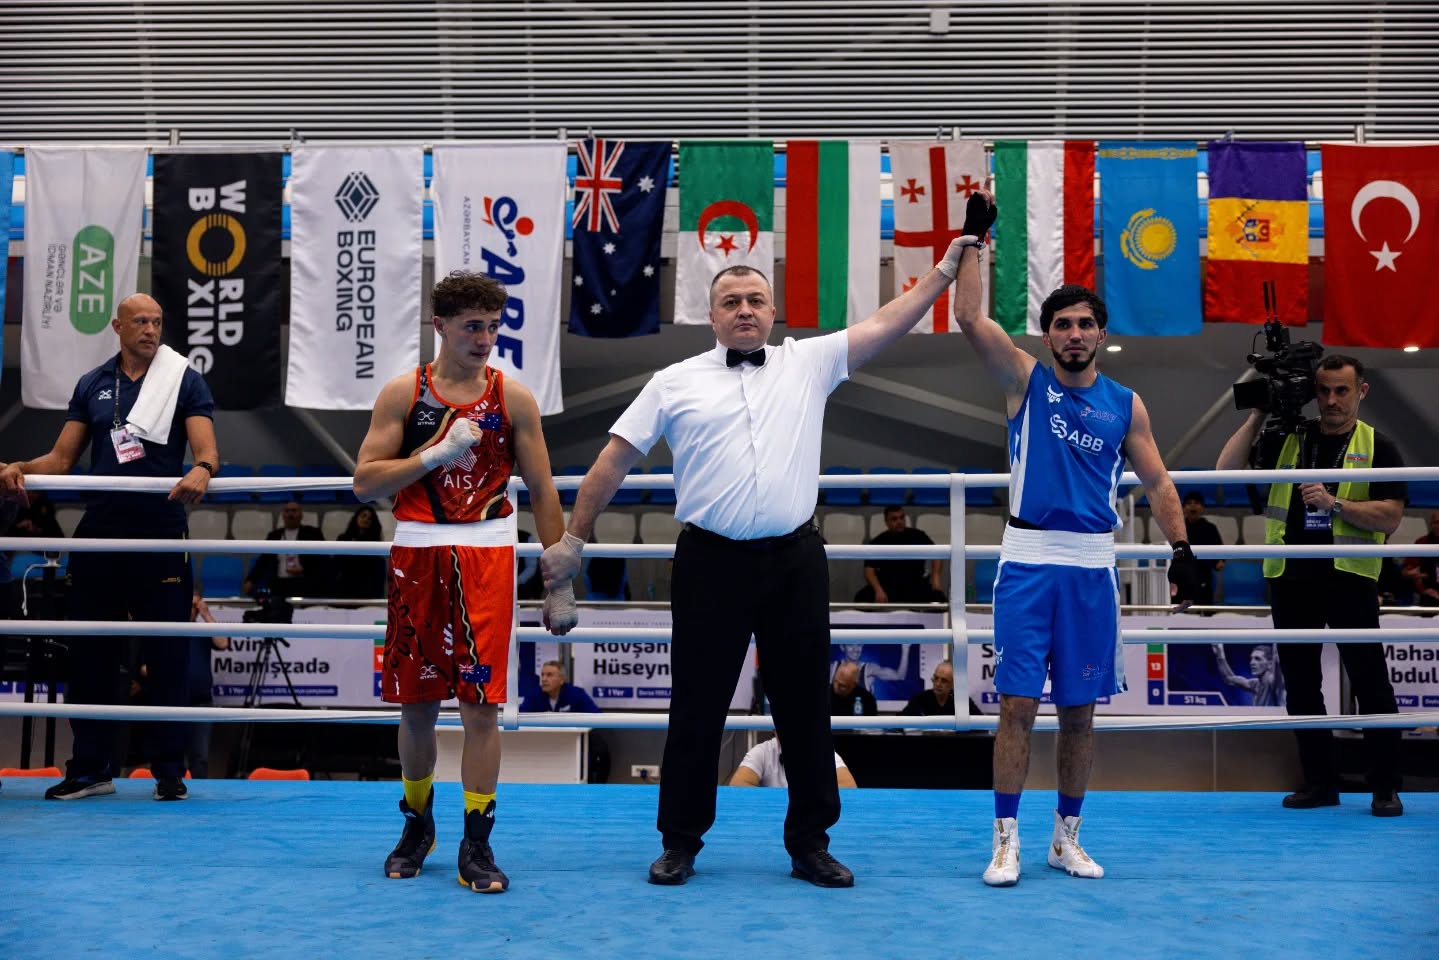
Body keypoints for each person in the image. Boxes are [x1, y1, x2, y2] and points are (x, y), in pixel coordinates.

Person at [540, 226, 985, 889]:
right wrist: (573, 542)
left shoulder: (809, 362)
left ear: (773, 311)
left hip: (793, 562)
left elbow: (889, 321)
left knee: (804, 709)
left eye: (755, 300)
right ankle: (679, 843)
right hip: (708, 563)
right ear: (711, 315)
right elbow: (613, 459)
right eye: (731, 301)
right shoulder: (672, 381)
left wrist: (946, 268)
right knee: (696, 708)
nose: (744, 310)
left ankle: (811, 844)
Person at [949, 192, 1198, 887]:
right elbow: (968, 317)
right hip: (1027, 563)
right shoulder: (1022, 381)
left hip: (1092, 568)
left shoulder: (1126, 405)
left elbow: (1158, 482)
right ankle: (1005, 841)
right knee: (1016, 707)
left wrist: (1181, 549)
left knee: (1081, 716)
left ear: (1101, 333)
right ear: (1048, 336)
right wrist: (972, 242)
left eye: (1085, 323)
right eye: (1062, 324)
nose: (1075, 333)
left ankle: (1065, 839)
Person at [352, 270, 568, 894]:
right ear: (440, 326)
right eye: (473, 326)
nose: (484, 339)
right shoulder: (404, 393)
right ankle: (417, 825)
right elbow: (364, 482)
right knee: (417, 705)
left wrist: (558, 581)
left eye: (493, 327)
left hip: (487, 557)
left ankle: (477, 841)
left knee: (480, 705)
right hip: (417, 555)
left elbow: (543, 488)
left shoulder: (512, 398)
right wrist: (434, 454)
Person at [0, 292, 218, 802]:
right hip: (100, 532)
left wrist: (203, 469)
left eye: (157, 321)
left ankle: (170, 771)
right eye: (140, 321)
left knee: (167, 655)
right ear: (118, 327)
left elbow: (207, 450)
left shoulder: (183, 378)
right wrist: (19, 467)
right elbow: (61, 459)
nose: (150, 329)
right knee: (90, 653)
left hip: (161, 532)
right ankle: (90, 769)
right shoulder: (92, 383)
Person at [1216, 354, 1406, 817]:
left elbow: (1391, 517)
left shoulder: (1379, 445)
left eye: (1342, 390)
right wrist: (1258, 414)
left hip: (1350, 577)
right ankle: (1320, 783)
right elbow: (1225, 469)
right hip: (1291, 577)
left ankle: (1385, 788)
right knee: (1301, 686)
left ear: (1361, 391)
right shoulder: (1288, 437)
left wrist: (1334, 503)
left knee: (1370, 683)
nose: (1331, 400)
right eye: (1323, 390)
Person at [853, 505, 945, 605]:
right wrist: (878, 589)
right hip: (888, 587)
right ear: (886, 522)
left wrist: (935, 578)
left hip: (915, 585)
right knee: (861, 598)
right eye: (894, 519)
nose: (899, 522)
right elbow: (869, 570)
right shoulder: (878, 541)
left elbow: (937, 554)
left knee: (939, 599)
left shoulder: (918, 535)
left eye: (902, 517)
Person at [184, 590, 229, 777]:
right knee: (172, 754)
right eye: (189, 605)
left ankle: (199, 792)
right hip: (173, 701)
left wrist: (206, 614)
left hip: (201, 702)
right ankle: (170, 788)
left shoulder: (203, 630)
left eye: (195, 606)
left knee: (200, 756)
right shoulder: (168, 629)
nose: (192, 610)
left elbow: (223, 643)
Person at [244, 499, 328, 599]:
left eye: (294, 511)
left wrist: (304, 570)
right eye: (287, 511)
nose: (290, 514)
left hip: (304, 582)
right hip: (280, 583)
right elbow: (263, 561)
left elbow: (323, 561)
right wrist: (251, 580)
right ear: (283, 515)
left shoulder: (312, 533)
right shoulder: (274, 536)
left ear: (301, 514)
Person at [730, 735, 857, 789]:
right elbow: (737, 785)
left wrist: (811, 801)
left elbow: (849, 786)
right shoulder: (762, 751)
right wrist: (774, 802)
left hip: (810, 817)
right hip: (771, 817)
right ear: (775, 730)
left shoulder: (822, 751)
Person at [332, 504, 388, 599]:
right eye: (363, 516)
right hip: (346, 582)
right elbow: (338, 563)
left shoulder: (374, 542)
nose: (366, 519)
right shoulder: (343, 538)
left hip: (366, 585)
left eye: (369, 518)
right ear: (356, 518)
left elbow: (373, 569)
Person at [1181, 492, 1226, 607]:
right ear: (1183, 508)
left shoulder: (1210, 528)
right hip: (1182, 576)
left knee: (1206, 609)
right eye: (1189, 503)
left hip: (1203, 575)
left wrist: (1221, 561)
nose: (1193, 506)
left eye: (1196, 503)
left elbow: (1220, 549)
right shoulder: (1178, 528)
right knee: (1181, 611)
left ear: (1202, 508)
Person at [1212, 643, 1285, 707]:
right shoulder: (1255, 684)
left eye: (1258, 659)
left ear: (1270, 664)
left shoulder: (1275, 682)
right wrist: (1220, 654)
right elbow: (1229, 678)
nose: (1252, 662)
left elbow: (1278, 671)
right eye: (1251, 658)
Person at [828, 641, 912, 697]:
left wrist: (905, 648)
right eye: (850, 645)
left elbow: (899, 676)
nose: (855, 649)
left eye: (859, 645)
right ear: (842, 647)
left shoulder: (869, 669)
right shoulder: (832, 668)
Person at [900, 661, 982, 717]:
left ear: (953, 684)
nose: (938, 684)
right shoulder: (920, 699)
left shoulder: (962, 700)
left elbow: (981, 724)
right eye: (936, 678)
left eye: (944, 681)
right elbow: (899, 722)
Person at [519, 660, 601, 713]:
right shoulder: (533, 695)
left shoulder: (576, 694)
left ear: (561, 680)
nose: (544, 679)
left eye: (549, 675)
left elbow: (596, 716)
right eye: (542, 675)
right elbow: (521, 718)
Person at [1401, 510, 1439, 607]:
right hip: (1428, 593)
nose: (1438, 526)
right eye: (1436, 522)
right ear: (1431, 524)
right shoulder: (1421, 542)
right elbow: (1406, 572)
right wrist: (1424, 589)